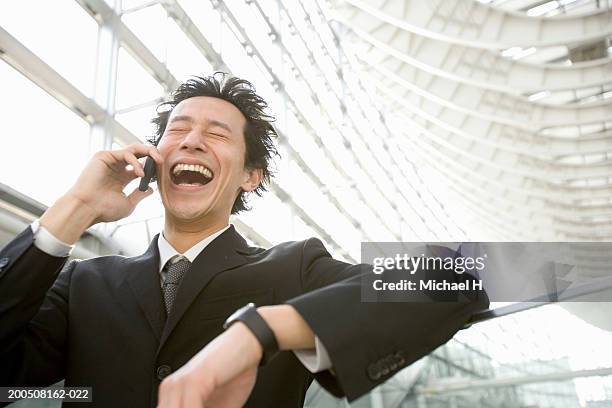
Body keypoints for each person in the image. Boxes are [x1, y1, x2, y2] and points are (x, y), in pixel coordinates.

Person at [0, 73, 488, 407]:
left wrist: (266, 330)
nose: (191, 141)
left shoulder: (294, 269)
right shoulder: (84, 283)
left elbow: (456, 279)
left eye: (216, 134)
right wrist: (75, 209)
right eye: (179, 130)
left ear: (251, 176)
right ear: (154, 159)